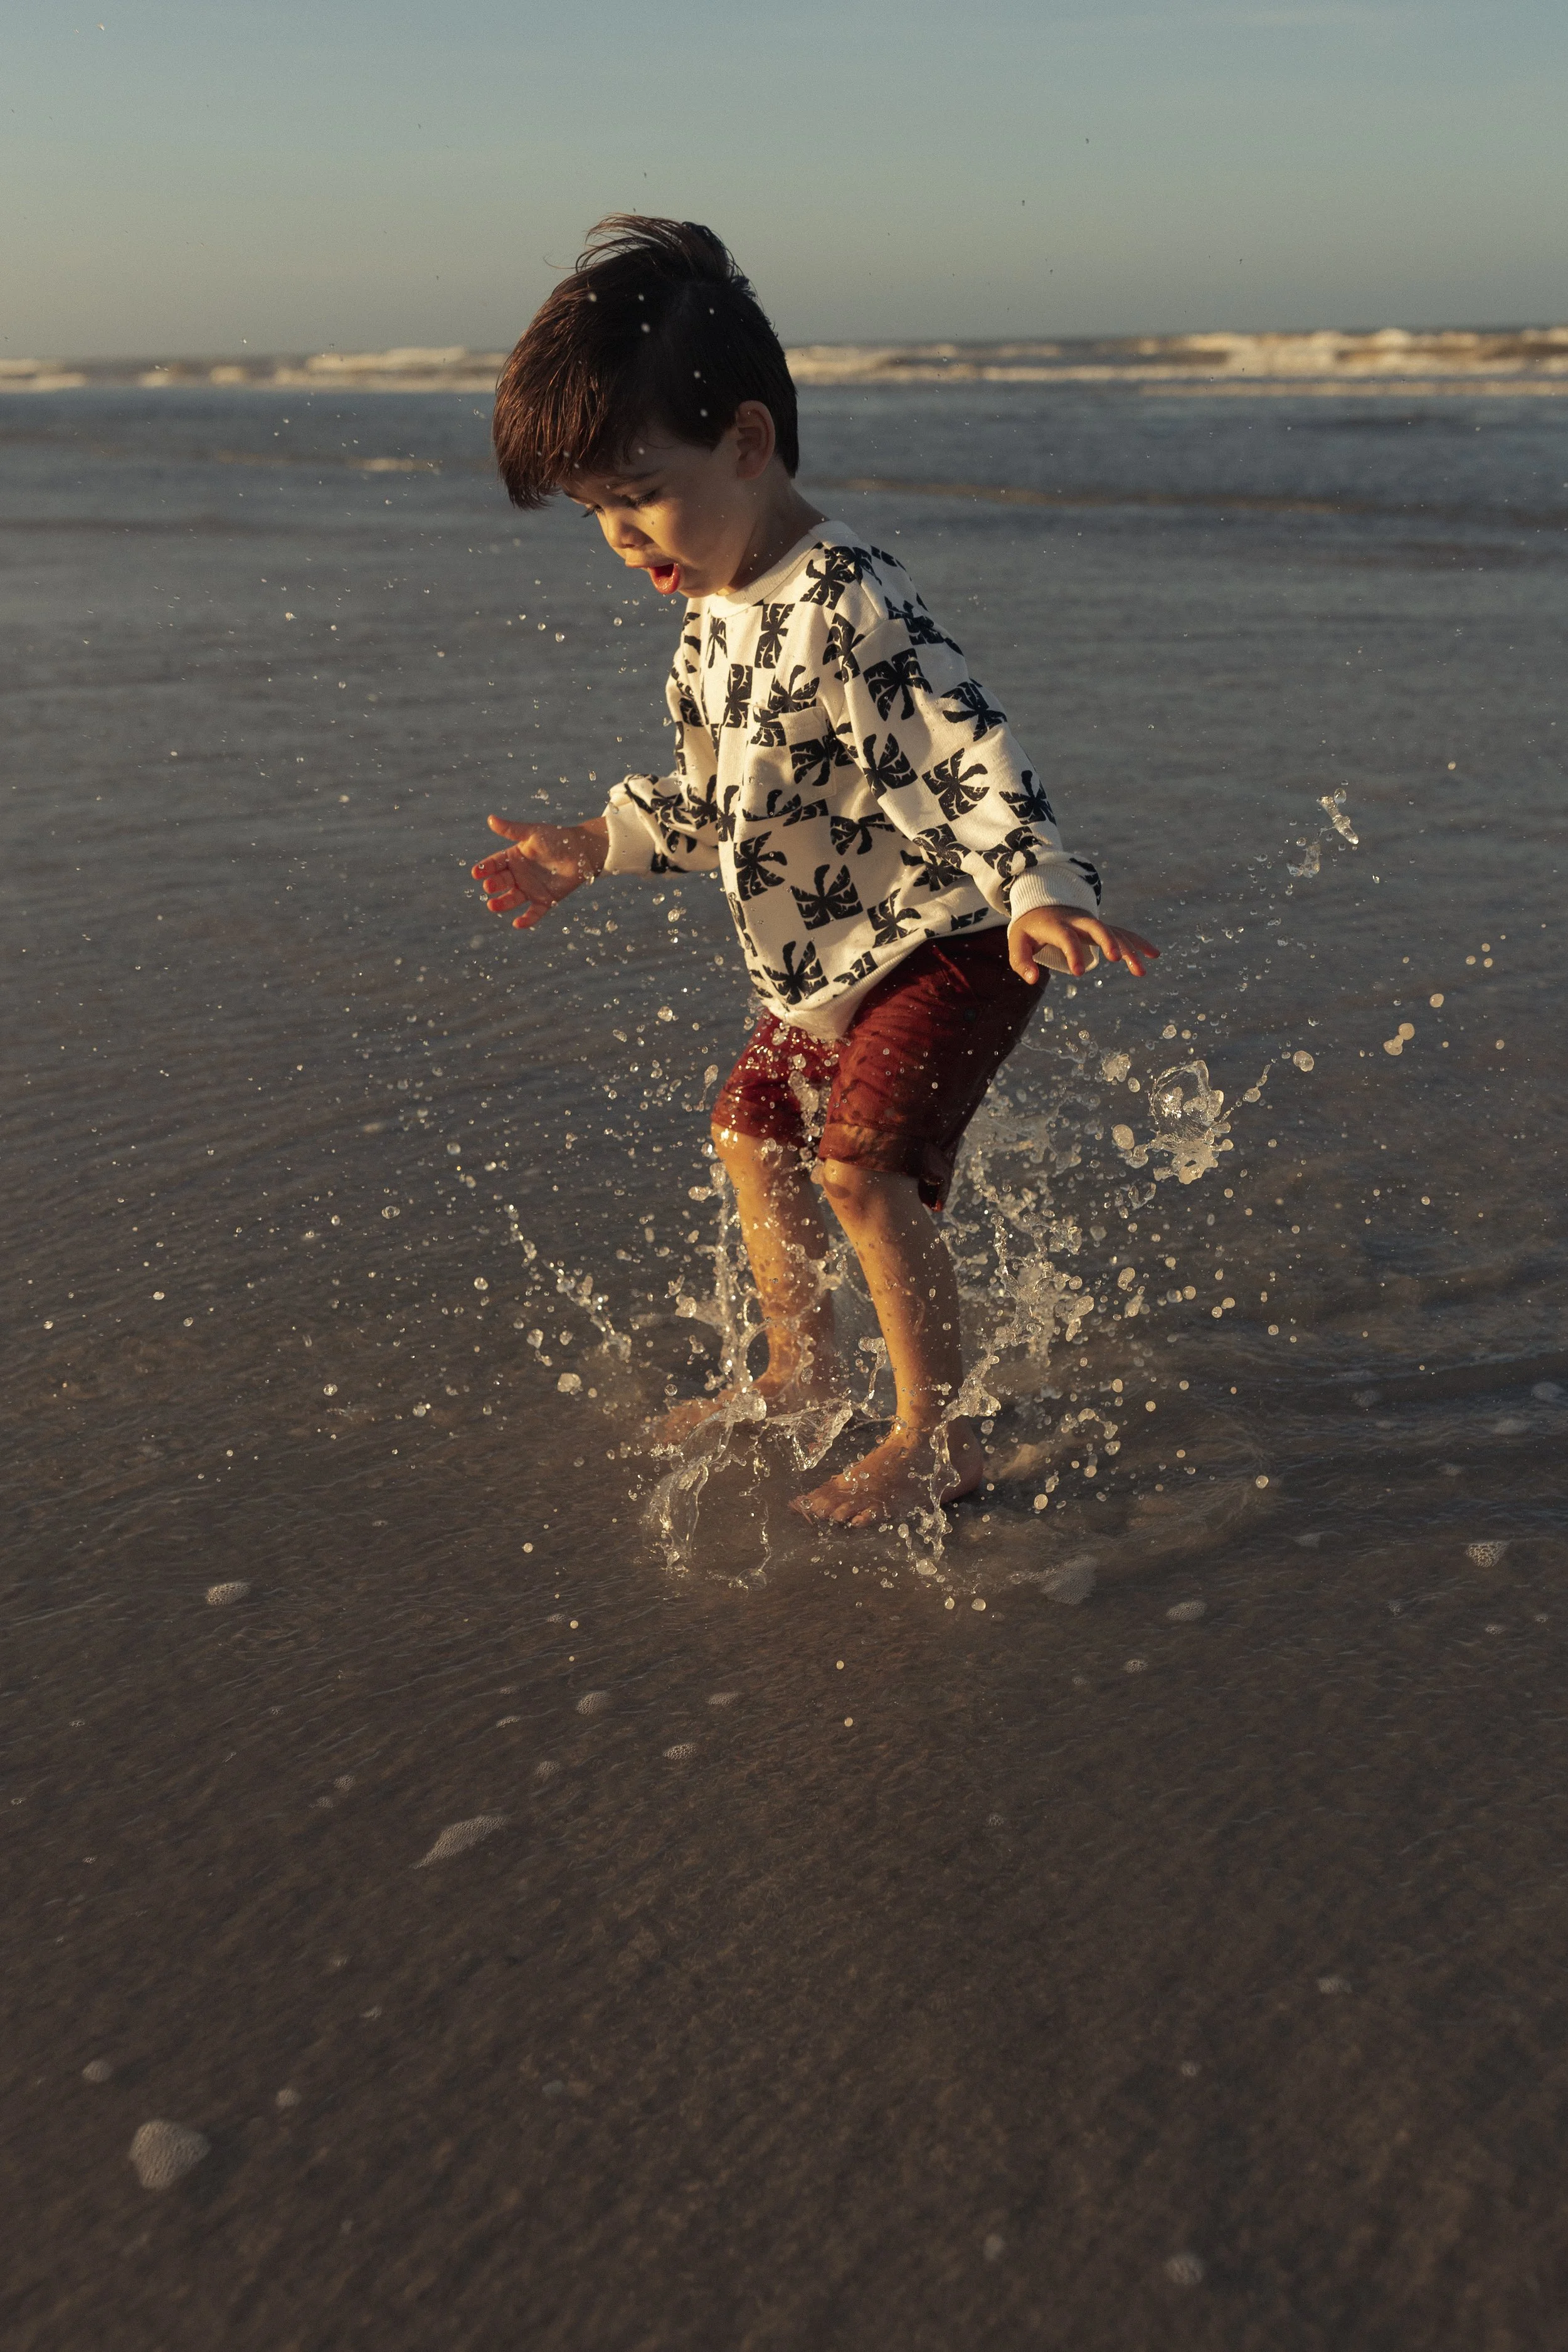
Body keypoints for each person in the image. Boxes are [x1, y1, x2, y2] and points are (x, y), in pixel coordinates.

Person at [472, 216, 1158, 1530]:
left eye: (639, 492)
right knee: (749, 1137)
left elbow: (967, 742)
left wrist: (1039, 886)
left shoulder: (849, 601)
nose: (621, 536)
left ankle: (931, 1437)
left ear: (745, 441)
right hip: (825, 967)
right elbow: (710, 807)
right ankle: (800, 1371)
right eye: (596, 512)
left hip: (953, 938)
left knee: (859, 1178)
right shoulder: (706, 629)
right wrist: (592, 843)